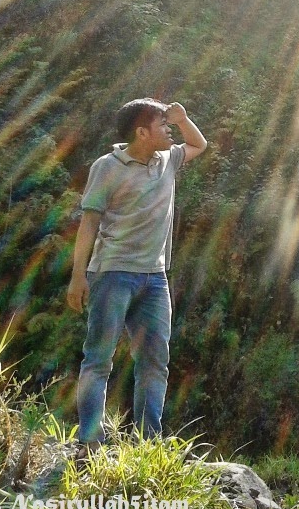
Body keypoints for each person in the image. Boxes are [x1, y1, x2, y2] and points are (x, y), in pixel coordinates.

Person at [66, 98, 207, 456]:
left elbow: (198, 145)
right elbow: (89, 223)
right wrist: (77, 277)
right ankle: (88, 442)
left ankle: (147, 445)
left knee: (155, 362)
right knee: (99, 360)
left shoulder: (168, 160)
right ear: (141, 132)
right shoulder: (107, 167)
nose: (169, 131)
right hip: (112, 273)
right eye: (162, 125)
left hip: (155, 279)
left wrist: (183, 119)